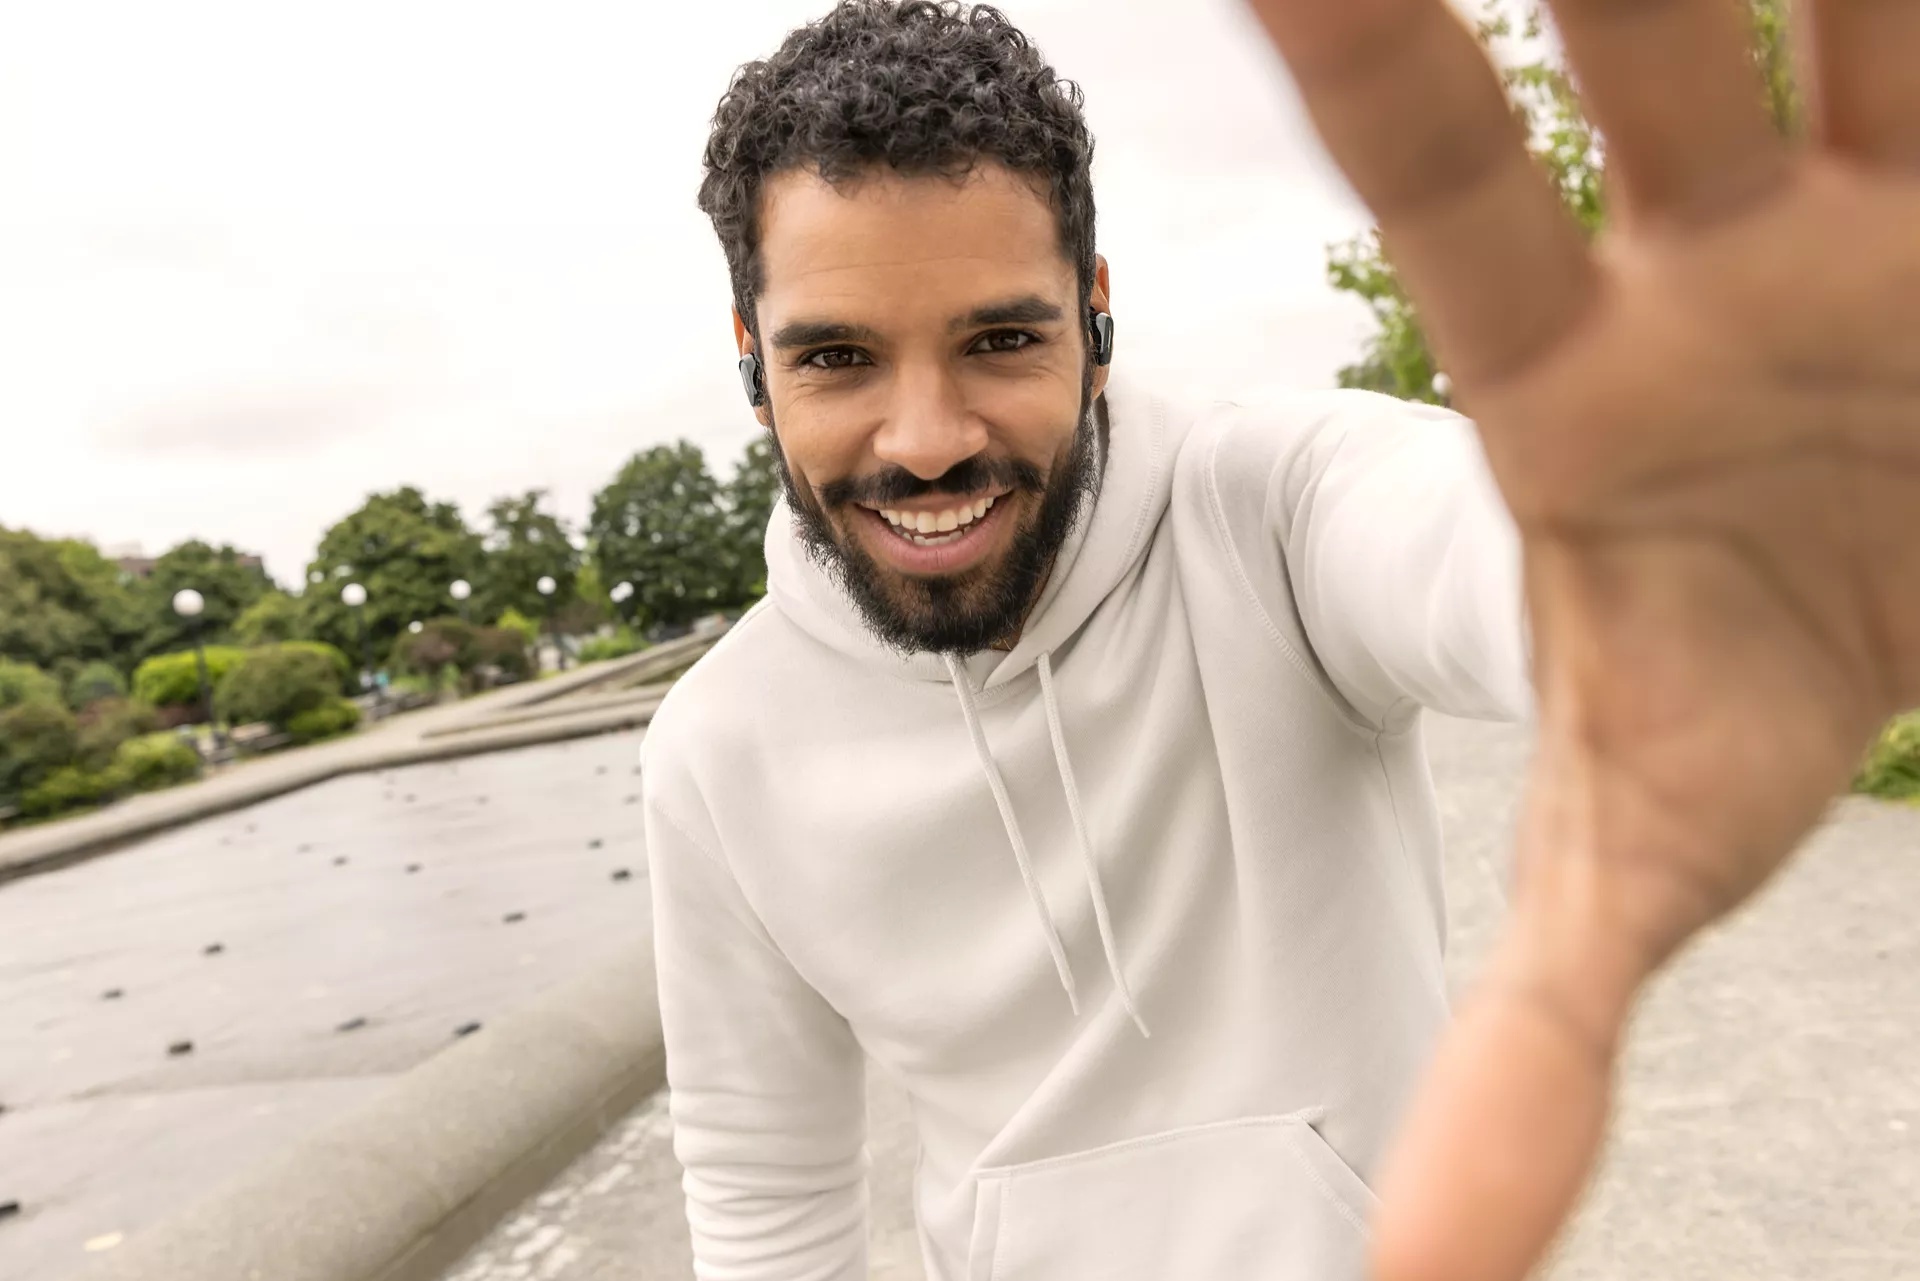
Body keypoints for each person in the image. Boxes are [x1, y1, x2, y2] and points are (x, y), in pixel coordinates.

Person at [641, 2, 1920, 1278]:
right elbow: (765, 1202)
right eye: (840, 359)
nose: (925, 440)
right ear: (755, 360)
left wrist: (1682, 577)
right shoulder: (717, 751)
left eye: (1000, 340)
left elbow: (1458, 542)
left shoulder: (1271, 510)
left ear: (1093, 322)